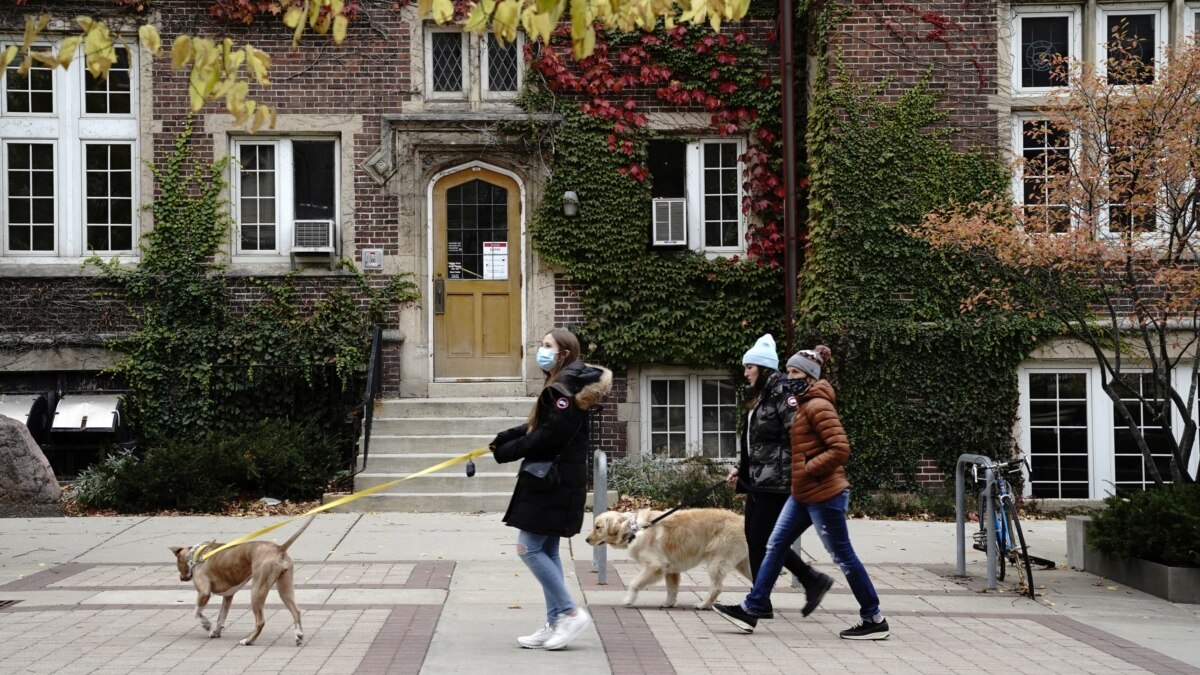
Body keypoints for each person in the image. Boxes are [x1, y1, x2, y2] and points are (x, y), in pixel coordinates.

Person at [714, 345, 889, 640]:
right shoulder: (803, 403)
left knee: (843, 555)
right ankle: (753, 608)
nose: (788, 377)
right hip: (802, 492)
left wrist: (807, 468)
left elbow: (840, 449)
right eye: (788, 371)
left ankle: (873, 618)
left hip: (825, 493)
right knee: (775, 544)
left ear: (808, 376)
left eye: (794, 372)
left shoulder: (818, 406)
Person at [490, 328, 612, 651]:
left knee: (527, 549)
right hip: (557, 480)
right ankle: (556, 619)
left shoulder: (563, 389)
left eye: (547, 346)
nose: (540, 351)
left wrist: (509, 450)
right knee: (547, 551)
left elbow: (549, 437)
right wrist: (507, 436)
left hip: (552, 482)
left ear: (564, 354)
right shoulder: (564, 386)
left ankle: (570, 613)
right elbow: (544, 426)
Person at [725, 334, 833, 619]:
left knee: (767, 538)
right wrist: (742, 466)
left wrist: (800, 471)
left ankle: (789, 589)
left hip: (778, 481)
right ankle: (769, 598)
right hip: (758, 479)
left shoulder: (783, 392)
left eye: (749, 366)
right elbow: (757, 438)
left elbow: (798, 432)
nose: (745, 372)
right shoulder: (762, 394)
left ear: (762, 368)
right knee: (755, 537)